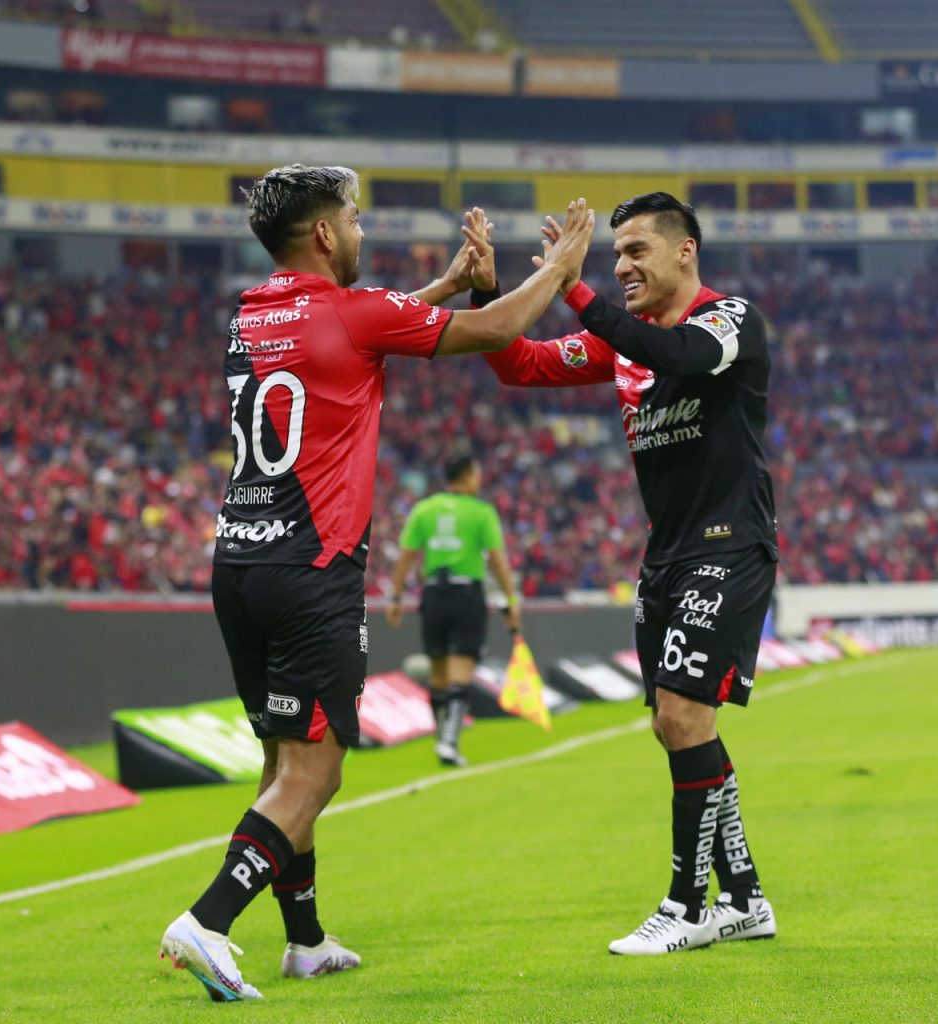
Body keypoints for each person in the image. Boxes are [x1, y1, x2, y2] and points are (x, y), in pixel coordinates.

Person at [158, 164, 595, 1002]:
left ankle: (306, 941)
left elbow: (358, 334)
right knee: (317, 773)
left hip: (240, 562)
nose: (361, 232)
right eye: (354, 219)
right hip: (312, 569)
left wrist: (445, 285)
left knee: (285, 761)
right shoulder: (354, 314)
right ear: (325, 233)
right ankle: (207, 921)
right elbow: (490, 328)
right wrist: (558, 269)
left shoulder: (251, 318)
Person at [473, 192, 779, 954]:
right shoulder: (623, 341)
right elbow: (523, 365)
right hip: (666, 554)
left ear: (686, 252)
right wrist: (487, 295)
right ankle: (743, 897)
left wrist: (575, 288)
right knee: (678, 727)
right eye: (613, 256)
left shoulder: (729, 319)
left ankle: (685, 909)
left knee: (681, 717)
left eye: (637, 251)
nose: (622, 267)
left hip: (728, 543)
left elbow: (677, 357)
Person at [386, 453, 522, 768]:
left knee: (437, 673)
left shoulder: (425, 509)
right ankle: (448, 742)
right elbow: (497, 561)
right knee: (460, 672)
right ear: (466, 476)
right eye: (476, 473)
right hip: (466, 596)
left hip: (433, 595)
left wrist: (395, 599)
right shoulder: (481, 512)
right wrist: (510, 602)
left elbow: (406, 557)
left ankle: (441, 737)